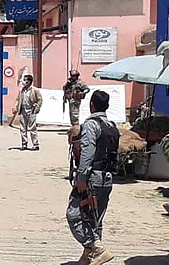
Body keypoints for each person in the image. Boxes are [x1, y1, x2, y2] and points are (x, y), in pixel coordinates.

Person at [66, 90, 119, 265]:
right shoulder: (112, 126)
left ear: (91, 105)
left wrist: (81, 178)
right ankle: (91, 256)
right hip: (107, 178)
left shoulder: (91, 125)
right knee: (95, 219)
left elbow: (88, 152)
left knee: (74, 214)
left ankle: (97, 248)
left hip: (92, 178)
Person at [13, 74, 43, 151]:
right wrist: (15, 107)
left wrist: (36, 109)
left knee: (32, 128)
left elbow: (40, 100)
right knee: (23, 128)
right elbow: (18, 99)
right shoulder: (22, 90)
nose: (25, 81)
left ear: (30, 81)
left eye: (26, 80)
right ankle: (24, 144)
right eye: (24, 79)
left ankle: (35, 144)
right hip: (23, 111)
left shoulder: (35, 90)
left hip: (31, 111)